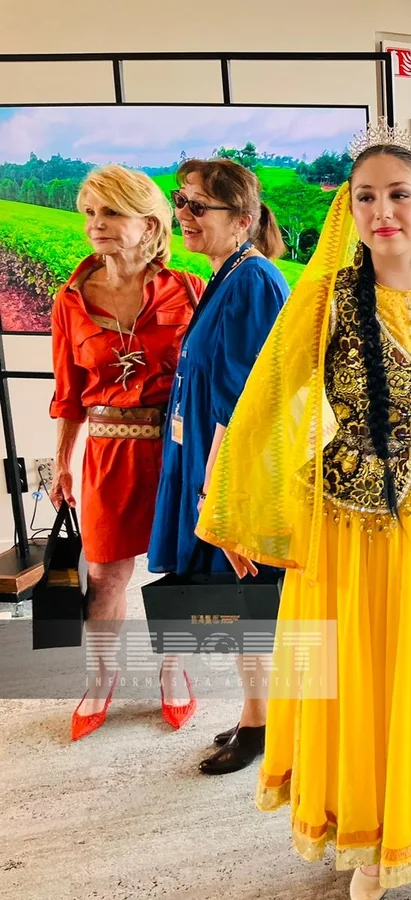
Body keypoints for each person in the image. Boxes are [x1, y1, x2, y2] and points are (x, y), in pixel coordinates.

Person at [195, 123, 411, 898]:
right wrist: (231, 494)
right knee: (354, 674)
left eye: (399, 194)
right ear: (348, 211)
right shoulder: (325, 298)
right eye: (366, 197)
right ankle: (367, 835)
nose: (382, 210)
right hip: (348, 526)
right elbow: (263, 399)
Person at [48, 164, 202, 741]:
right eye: (90, 213)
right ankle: (102, 677)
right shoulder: (70, 300)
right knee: (107, 575)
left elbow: (214, 376)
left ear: (148, 222)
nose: (96, 225)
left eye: (110, 213)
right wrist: (62, 462)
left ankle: (173, 669)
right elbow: (67, 395)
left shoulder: (188, 289)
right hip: (108, 454)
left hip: (177, 450)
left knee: (180, 569)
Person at [147, 158, 288, 774]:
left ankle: (263, 727)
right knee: (237, 608)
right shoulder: (225, 275)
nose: (184, 215)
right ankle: (258, 716)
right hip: (210, 465)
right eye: (181, 202)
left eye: (199, 206)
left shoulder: (253, 282)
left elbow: (250, 399)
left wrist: (219, 491)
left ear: (244, 219)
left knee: (249, 604)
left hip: (234, 472)